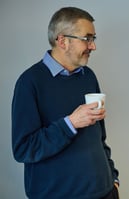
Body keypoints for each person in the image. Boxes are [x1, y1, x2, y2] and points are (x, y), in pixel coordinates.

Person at [11, 7, 119, 199]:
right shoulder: (29, 82)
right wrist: (71, 123)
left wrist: (113, 179)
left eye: (93, 39)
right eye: (87, 39)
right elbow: (24, 149)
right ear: (62, 41)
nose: (93, 46)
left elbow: (99, 138)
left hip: (106, 192)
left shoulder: (88, 76)